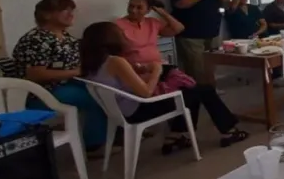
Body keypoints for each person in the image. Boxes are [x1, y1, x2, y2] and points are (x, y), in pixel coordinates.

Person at [79, 22, 249, 152]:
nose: (123, 35)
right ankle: (229, 130)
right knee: (202, 90)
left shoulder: (91, 63)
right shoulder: (116, 61)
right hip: (137, 111)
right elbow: (145, 93)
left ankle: (175, 136)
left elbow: (122, 84)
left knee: (192, 91)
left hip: (121, 110)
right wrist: (157, 70)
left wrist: (145, 71)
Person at [15, 0, 107, 153]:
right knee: (95, 96)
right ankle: (94, 145)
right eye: (65, 10)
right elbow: (35, 75)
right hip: (42, 92)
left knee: (108, 88)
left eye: (72, 10)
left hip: (65, 84)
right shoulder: (37, 39)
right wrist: (76, 72)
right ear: (46, 15)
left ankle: (115, 131)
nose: (71, 14)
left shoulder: (66, 37)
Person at [169, 0, 231, 82]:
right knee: (196, 68)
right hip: (191, 35)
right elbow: (180, 4)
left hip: (213, 32)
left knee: (211, 65)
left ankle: (210, 91)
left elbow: (227, 5)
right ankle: (199, 95)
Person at [115, 0, 185, 67]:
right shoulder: (118, 24)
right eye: (131, 6)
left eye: (139, 7)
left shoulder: (152, 22)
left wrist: (162, 13)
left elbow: (179, 28)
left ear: (148, 10)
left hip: (156, 66)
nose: (133, 10)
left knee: (183, 78)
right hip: (134, 69)